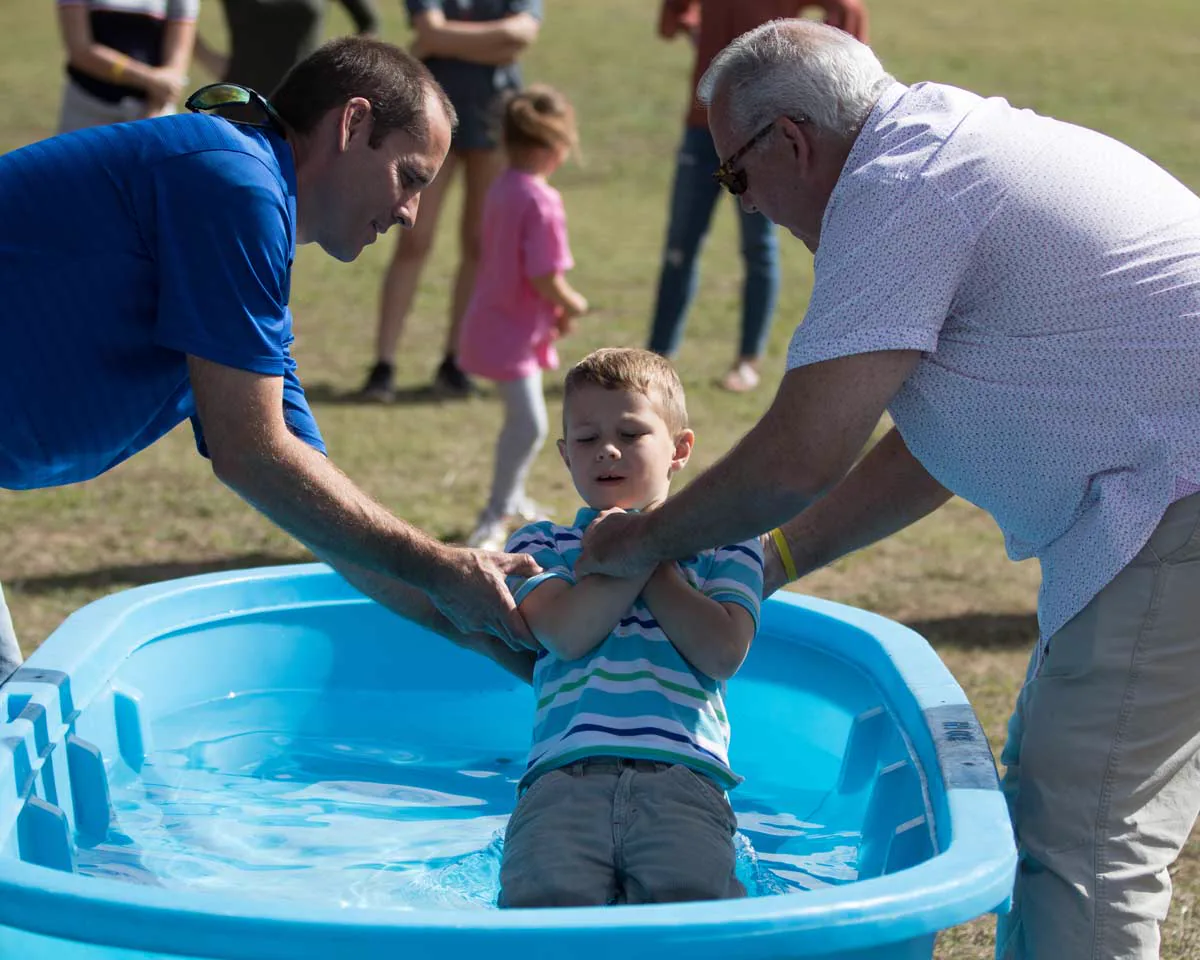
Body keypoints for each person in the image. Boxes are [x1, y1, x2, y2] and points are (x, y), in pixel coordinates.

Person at [576, 19, 1200, 959]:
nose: (748, 205)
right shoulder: (937, 148)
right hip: (1164, 496)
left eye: (735, 176)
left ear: (791, 141)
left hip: (1176, 499)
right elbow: (935, 444)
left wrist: (641, 541)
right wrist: (772, 559)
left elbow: (799, 455)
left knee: (1080, 832)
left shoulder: (897, 191)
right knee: (1060, 797)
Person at [0, 36, 541, 690]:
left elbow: (303, 487)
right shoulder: (232, 184)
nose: (409, 213)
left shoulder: (247, 202)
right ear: (353, 123)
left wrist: (508, 646)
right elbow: (250, 452)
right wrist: (438, 565)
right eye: (409, 177)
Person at [495, 347, 763, 908]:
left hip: (685, 777)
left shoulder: (727, 542)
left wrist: (642, 548)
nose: (608, 449)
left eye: (631, 433)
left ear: (679, 449)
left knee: (693, 912)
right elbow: (567, 634)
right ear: (566, 455)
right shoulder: (540, 544)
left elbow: (722, 651)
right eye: (587, 438)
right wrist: (636, 547)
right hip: (563, 779)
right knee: (544, 912)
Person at [647, 0, 867, 393]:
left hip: (760, 130)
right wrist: (692, 26)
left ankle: (748, 359)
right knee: (680, 243)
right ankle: (656, 358)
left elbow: (848, 10)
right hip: (703, 126)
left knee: (757, 244)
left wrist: (811, 64)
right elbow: (673, 14)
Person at [355, 0, 543, 402]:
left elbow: (521, 36)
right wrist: (491, 43)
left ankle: (455, 362)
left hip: (494, 117)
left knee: (478, 244)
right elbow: (430, 30)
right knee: (413, 239)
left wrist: (444, 42)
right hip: (430, 117)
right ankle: (383, 365)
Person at [456, 85, 588, 552]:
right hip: (510, 332)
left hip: (494, 320)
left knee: (521, 421)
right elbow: (543, 275)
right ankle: (495, 514)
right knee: (530, 425)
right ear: (555, 147)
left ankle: (512, 497)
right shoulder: (540, 200)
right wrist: (573, 303)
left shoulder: (502, 186)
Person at [56, 0, 198, 133]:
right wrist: (149, 80)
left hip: (153, 111)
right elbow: (80, 50)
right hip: (88, 107)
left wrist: (154, 110)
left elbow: (175, 64)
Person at [193, 0, 380, 98]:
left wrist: (340, 72)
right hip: (242, 101)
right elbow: (180, 12)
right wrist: (210, 59)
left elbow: (369, 24)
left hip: (306, 104)